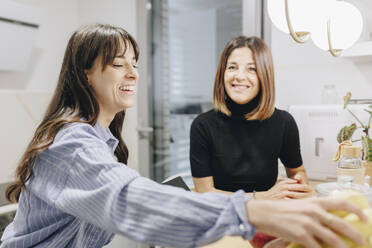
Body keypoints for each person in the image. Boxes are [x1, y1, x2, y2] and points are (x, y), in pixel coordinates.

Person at [0, 24, 367, 248]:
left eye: (135, 64)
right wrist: (254, 210)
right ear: (85, 74)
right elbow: (129, 199)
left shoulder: (102, 141)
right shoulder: (72, 145)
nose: (132, 73)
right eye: (117, 64)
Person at [190, 36, 312, 200]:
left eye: (251, 69)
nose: (239, 76)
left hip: (268, 214)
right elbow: (205, 193)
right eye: (232, 67)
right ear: (222, 73)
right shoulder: (203, 125)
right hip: (221, 215)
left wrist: (298, 184)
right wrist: (260, 198)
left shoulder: (284, 122)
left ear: (265, 76)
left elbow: (297, 171)